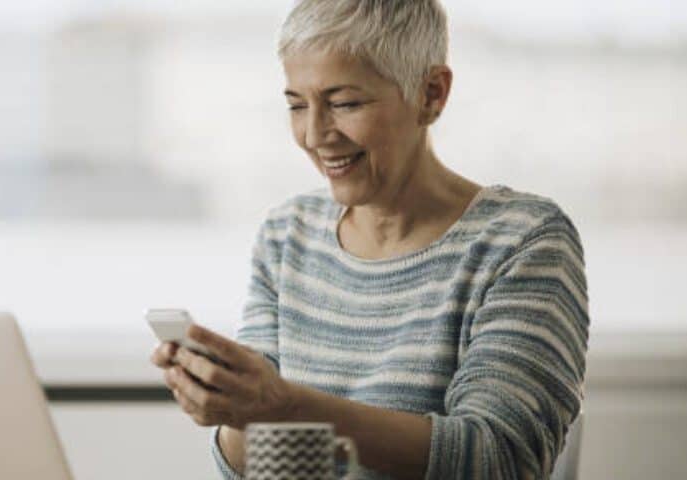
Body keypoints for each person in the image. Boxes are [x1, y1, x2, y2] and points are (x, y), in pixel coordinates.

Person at [150, 1, 589, 478]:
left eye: (344, 104)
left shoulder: (523, 242)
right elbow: (259, 465)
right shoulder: (287, 236)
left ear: (431, 93)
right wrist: (237, 409)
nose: (314, 135)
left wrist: (282, 407)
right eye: (297, 104)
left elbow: (501, 459)